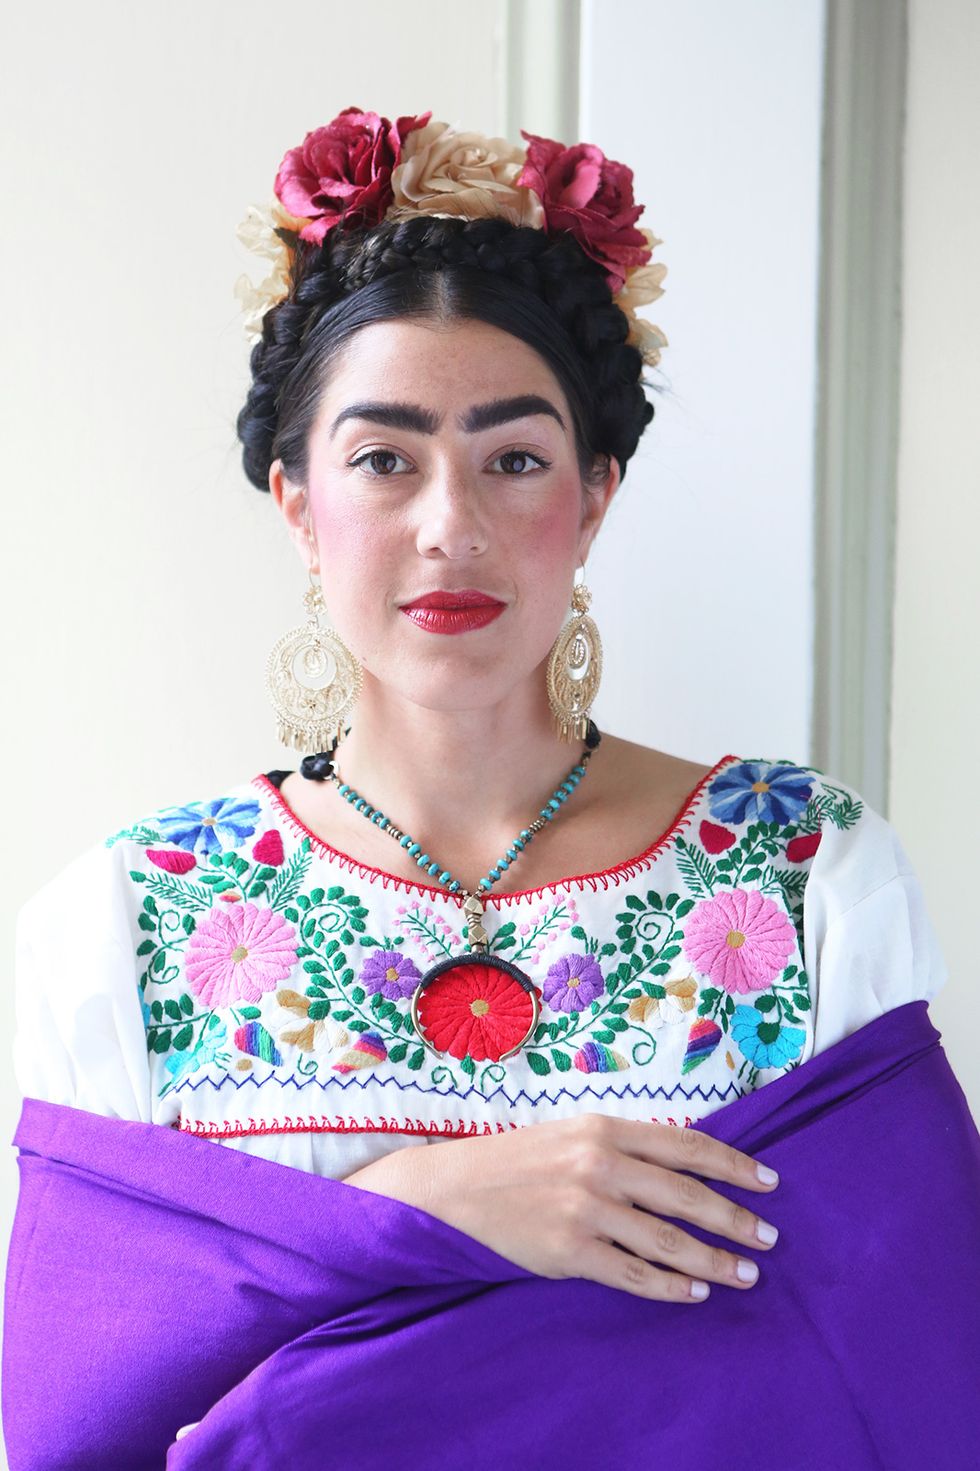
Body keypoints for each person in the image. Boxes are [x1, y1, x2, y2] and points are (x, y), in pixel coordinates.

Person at [11, 106, 951, 1323]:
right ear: (298, 504)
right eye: (382, 460)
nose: (448, 525)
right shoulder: (132, 922)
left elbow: (907, 1346)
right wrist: (435, 1199)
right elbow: (84, 1394)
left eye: (512, 460)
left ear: (595, 496)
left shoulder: (808, 877)